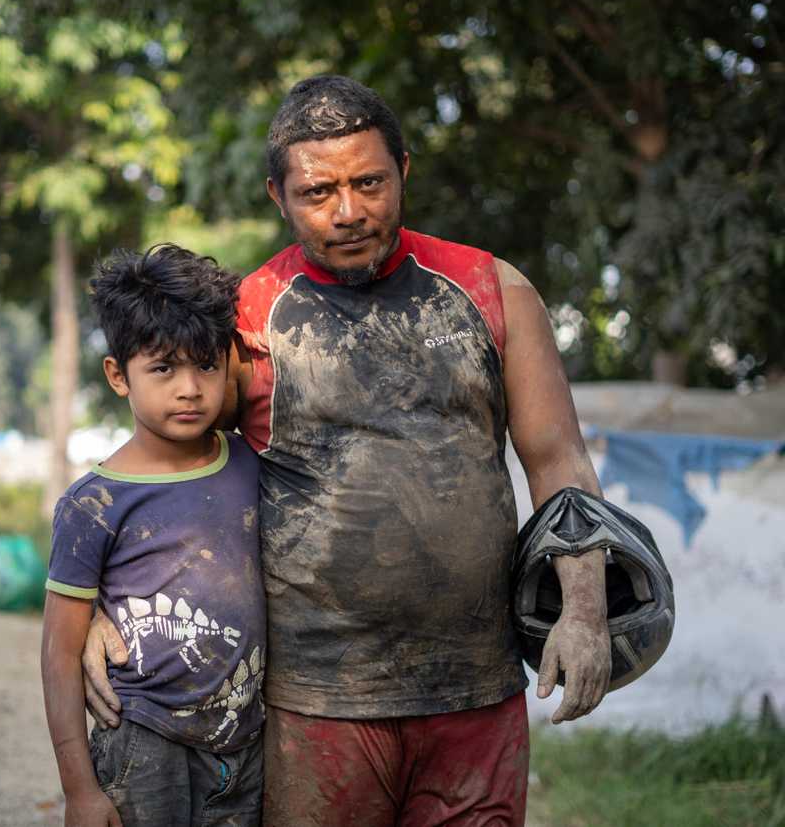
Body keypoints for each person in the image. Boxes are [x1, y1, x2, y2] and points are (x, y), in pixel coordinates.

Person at [83, 76, 611, 826]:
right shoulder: (248, 319)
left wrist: (584, 611)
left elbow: (557, 458)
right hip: (317, 704)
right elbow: (165, 456)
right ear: (278, 195)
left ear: (404, 169)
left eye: (370, 182)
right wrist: (104, 603)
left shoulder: (493, 291)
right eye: (317, 192)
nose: (348, 211)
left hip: (476, 694)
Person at [41, 245, 267, 827]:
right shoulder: (94, 504)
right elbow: (60, 653)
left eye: (205, 365)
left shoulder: (248, 461)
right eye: (163, 368)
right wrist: (79, 791)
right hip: (143, 741)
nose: (189, 388)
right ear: (119, 375)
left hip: (245, 739)